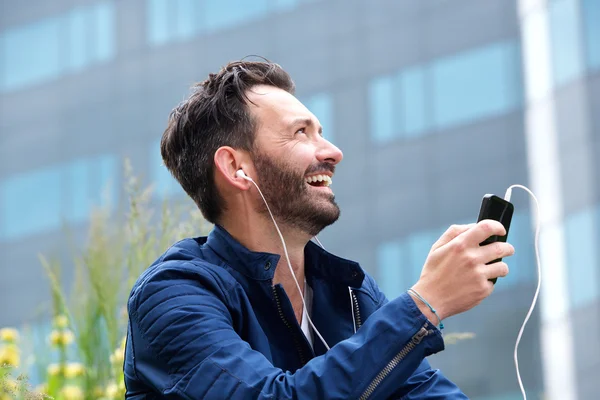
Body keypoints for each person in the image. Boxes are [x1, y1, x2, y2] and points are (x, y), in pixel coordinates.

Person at [124, 60, 514, 399]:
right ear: (236, 168)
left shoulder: (351, 293)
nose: (332, 152)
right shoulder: (172, 295)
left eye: (321, 132)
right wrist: (424, 304)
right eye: (301, 133)